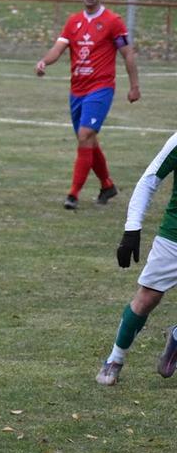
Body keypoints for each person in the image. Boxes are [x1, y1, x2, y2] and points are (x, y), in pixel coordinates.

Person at [35, 0, 141, 210]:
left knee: (84, 136)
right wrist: (44, 62)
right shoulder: (73, 22)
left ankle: (73, 194)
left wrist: (134, 86)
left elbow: (128, 53)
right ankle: (107, 185)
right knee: (88, 140)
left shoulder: (113, 21)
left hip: (101, 89)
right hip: (77, 91)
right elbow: (58, 48)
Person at [96, 131, 177, 386]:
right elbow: (149, 180)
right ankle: (114, 359)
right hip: (174, 236)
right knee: (147, 298)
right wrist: (132, 228)